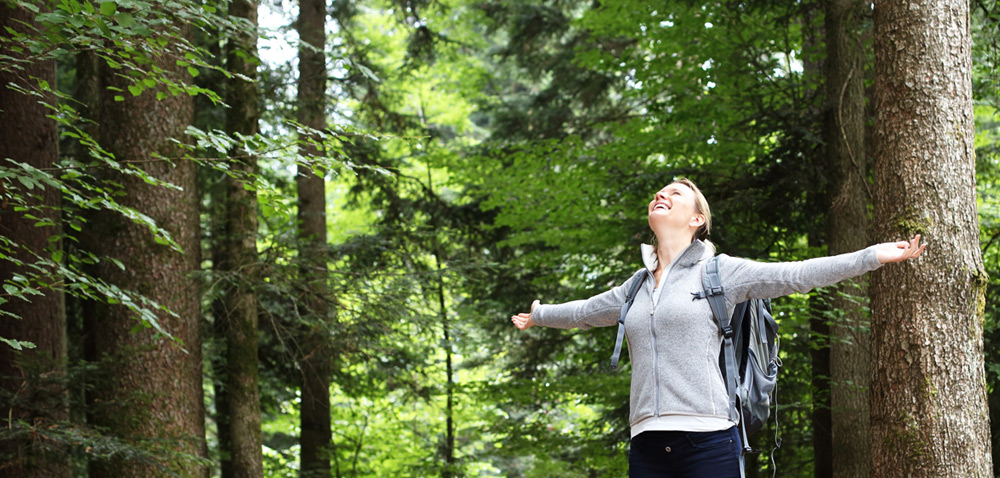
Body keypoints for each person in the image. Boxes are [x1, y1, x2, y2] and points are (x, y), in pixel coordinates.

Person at [510, 178, 925, 478]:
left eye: (674, 194)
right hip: (646, 445)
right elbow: (584, 312)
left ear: (696, 220)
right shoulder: (634, 287)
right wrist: (540, 314)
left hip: (708, 442)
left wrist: (871, 255)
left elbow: (796, 274)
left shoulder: (720, 274)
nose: (661, 195)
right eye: (660, 192)